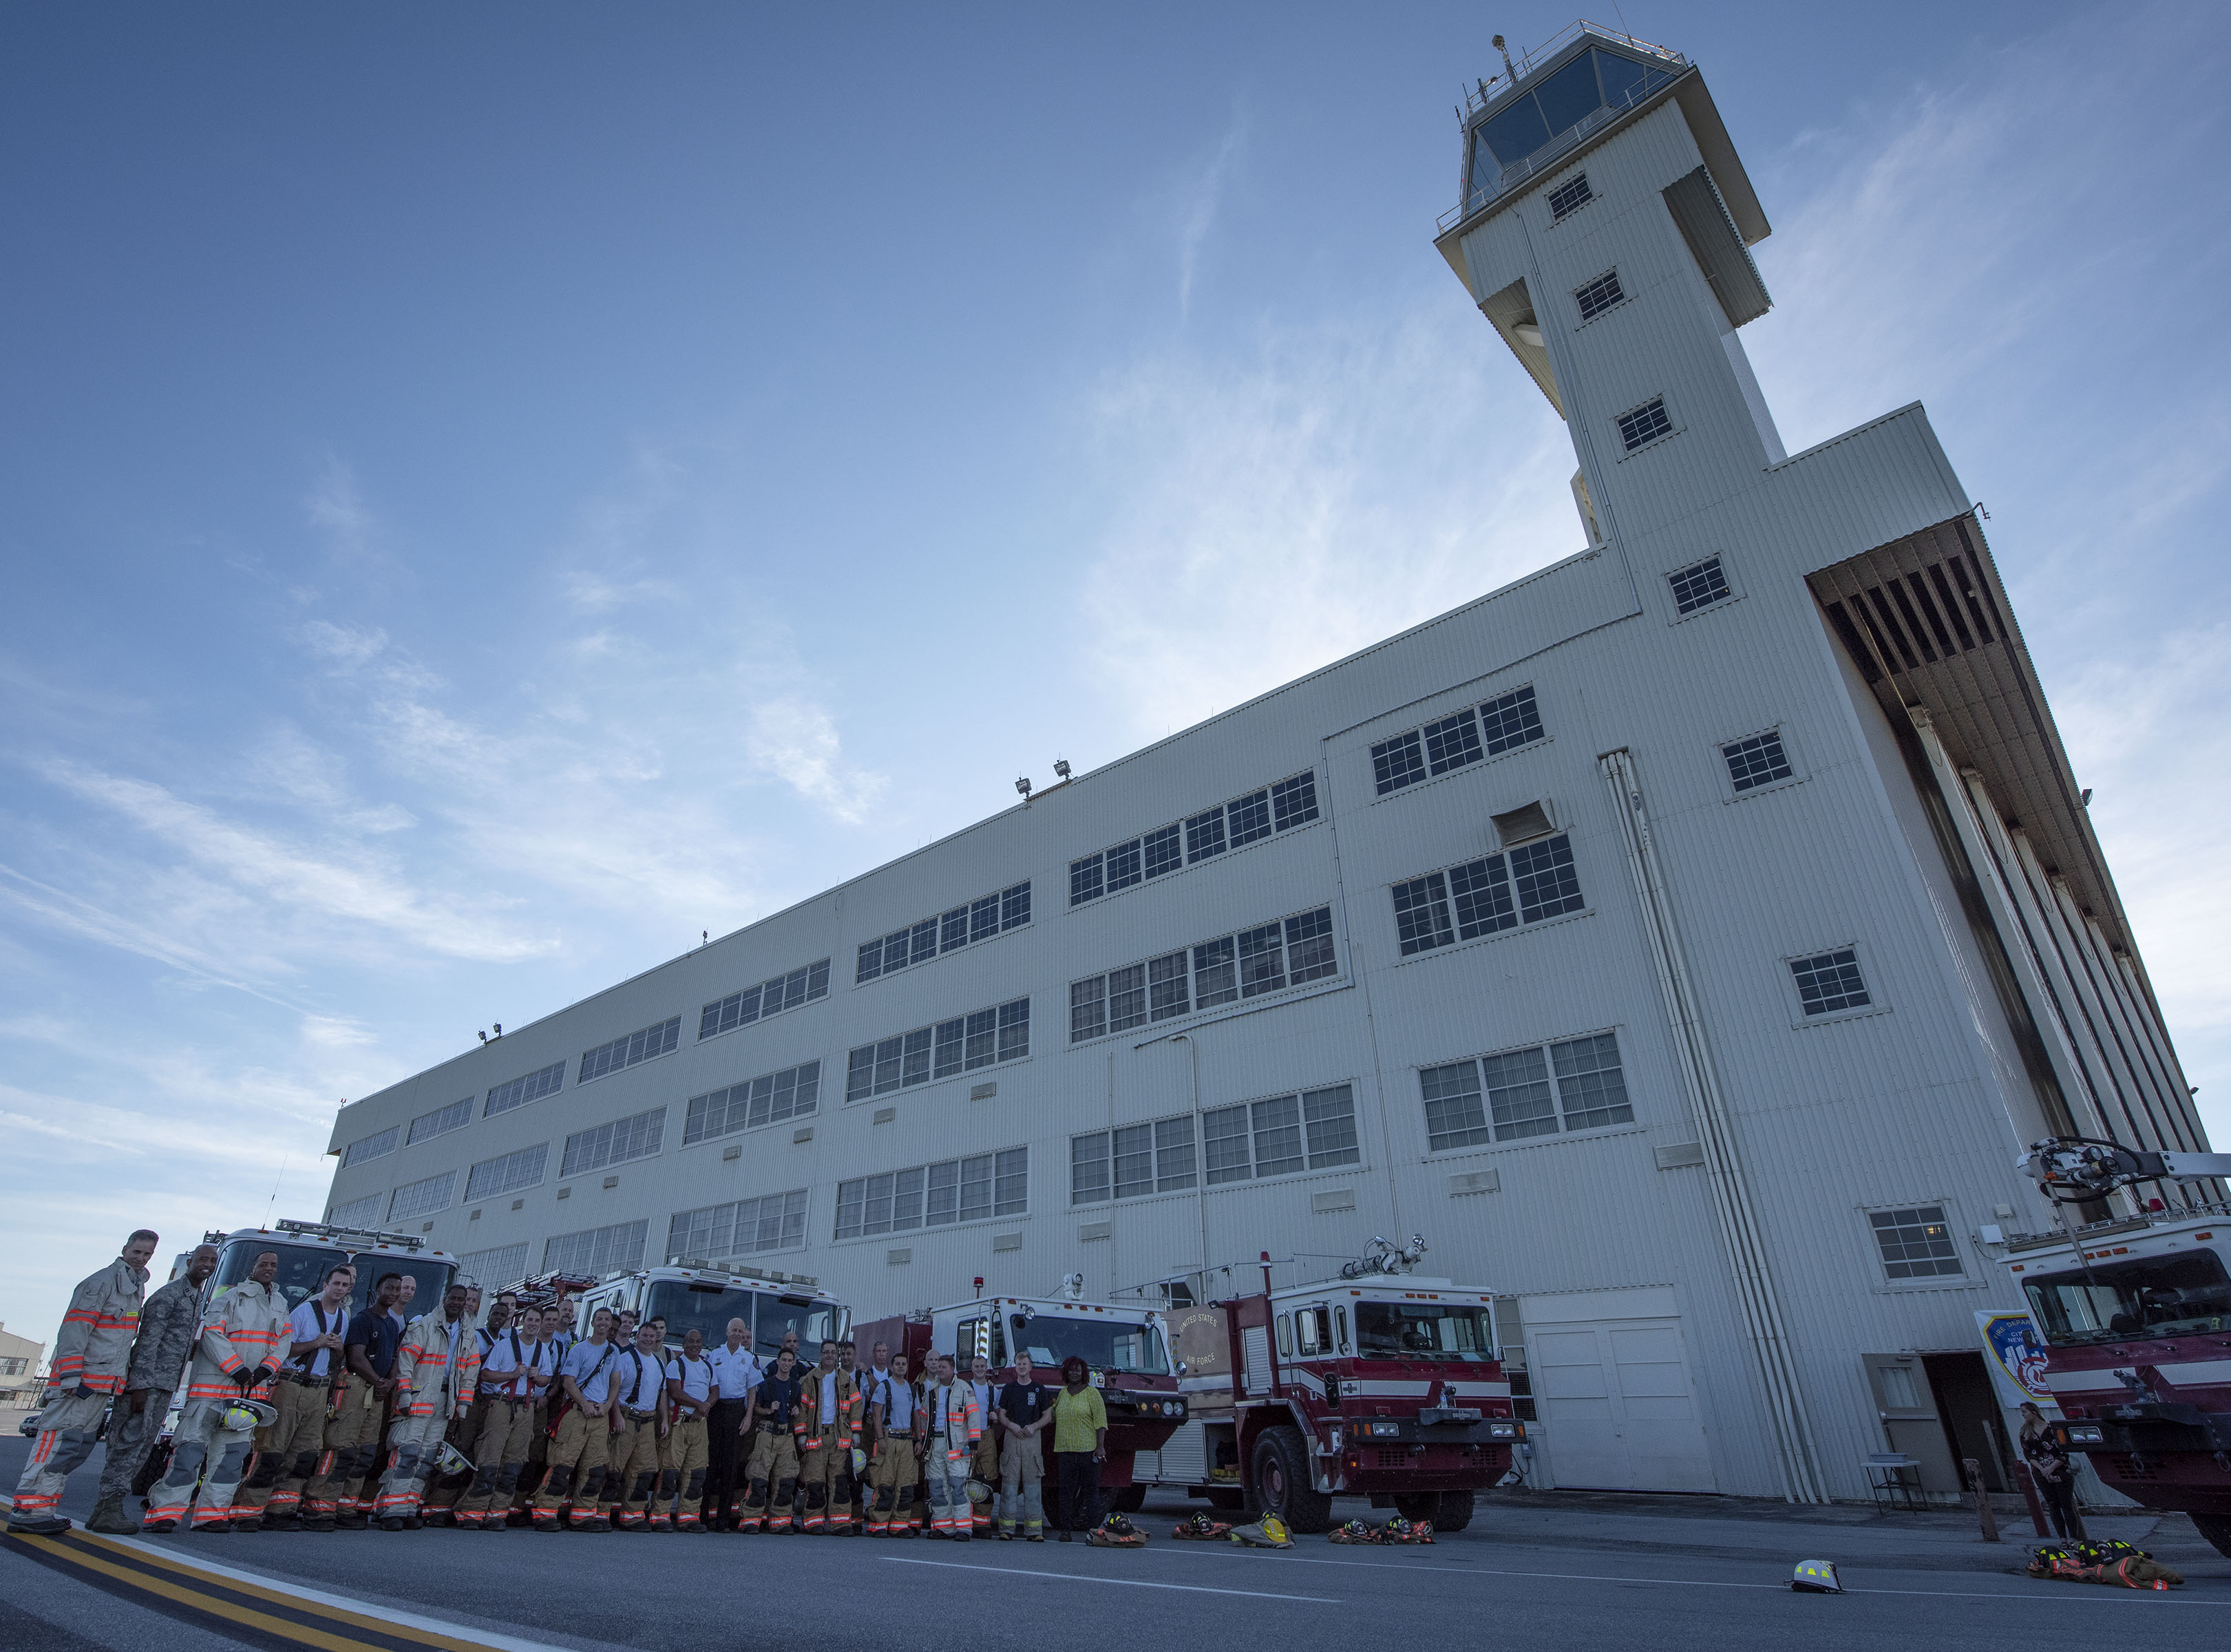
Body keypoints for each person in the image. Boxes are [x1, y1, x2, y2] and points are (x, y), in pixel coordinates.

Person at [12, 1230, 158, 1536]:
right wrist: (70, 1377)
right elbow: (74, 1330)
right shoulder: (100, 1283)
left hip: (100, 1387)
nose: (142, 1258)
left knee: (72, 1450)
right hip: (78, 1385)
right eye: (137, 1252)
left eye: (147, 1254)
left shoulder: (133, 1287)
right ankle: (27, 1512)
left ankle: (42, 1511)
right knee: (55, 1446)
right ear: (125, 1249)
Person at [144, 1249, 288, 1534]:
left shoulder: (281, 1304)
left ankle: (212, 1515)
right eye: (264, 1263)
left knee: (231, 1458)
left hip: (248, 1395)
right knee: (189, 1453)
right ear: (252, 1268)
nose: (269, 1268)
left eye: (273, 1264)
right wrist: (236, 1369)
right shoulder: (229, 1298)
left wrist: (265, 1370)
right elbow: (211, 1335)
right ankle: (164, 1514)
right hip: (210, 1392)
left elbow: (283, 1342)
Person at [88, 1242, 219, 1534]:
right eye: (202, 1259)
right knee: (127, 1447)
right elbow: (146, 1343)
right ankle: (109, 1509)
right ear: (190, 1262)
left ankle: (104, 1511)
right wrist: (140, 1387)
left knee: (141, 1449)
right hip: (146, 1386)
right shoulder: (168, 1296)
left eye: (212, 1261)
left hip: (164, 1385)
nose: (207, 1265)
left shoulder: (196, 1297)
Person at [236, 1262, 355, 1531]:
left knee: (303, 1455)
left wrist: (338, 1348)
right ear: (325, 1285)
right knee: (272, 1451)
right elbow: (284, 1349)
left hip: (319, 1389)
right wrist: (317, 1343)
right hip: (291, 1385)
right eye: (336, 1284)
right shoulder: (303, 1312)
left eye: (345, 1285)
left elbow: (336, 1359)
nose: (340, 1289)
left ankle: (282, 1511)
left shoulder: (343, 1318)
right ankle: (248, 1512)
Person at [374, 1282, 480, 1529]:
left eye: (461, 1299)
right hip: (419, 1397)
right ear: (444, 1299)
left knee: (427, 1459)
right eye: (453, 1298)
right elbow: (405, 1363)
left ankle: (409, 1508)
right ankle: (390, 1510)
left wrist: (462, 1404)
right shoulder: (425, 1325)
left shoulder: (468, 1333)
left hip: (445, 1402)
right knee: (406, 1454)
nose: (456, 1303)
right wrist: (404, 1395)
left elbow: (470, 1372)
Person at [310, 1271, 404, 1528]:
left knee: (365, 1453)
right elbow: (355, 1358)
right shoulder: (363, 1320)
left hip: (377, 1393)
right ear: (377, 1290)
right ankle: (320, 1507)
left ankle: (346, 1507)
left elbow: (395, 1358)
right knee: (341, 1449)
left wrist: (390, 1382)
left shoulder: (392, 1325)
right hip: (355, 1388)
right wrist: (378, 1381)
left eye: (397, 1289)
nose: (394, 1293)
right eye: (389, 1288)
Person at [451, 1300, 551, 1527]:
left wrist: (538, 1377)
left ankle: (497, 1514)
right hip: (502, 1404)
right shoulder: (505, 1346)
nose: (533, 1324)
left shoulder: (542, 1350)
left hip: (526, 1408)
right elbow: (486, 1375)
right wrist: (512, 1374)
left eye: (537, 1320)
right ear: (522, 1321)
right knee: (489, 1461)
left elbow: (547, 1379)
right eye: (530, 1320)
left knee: (513, 1465)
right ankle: (473, 1512)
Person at [535, 1306, 620, 1531]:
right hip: (577, 1413)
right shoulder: (579, 1349)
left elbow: (615, 1383)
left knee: (594, 1470)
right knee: (562, 1466)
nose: (603, 1323)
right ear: (592, 1323)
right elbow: (568, 1382)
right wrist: (584, 1404)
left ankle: (582, 1517)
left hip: (600, 1417)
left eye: (607, 1320)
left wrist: (607, 1405)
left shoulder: (614, 1352)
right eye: (599, 1319)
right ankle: (544, 1515)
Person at [604, 1320, 670, 1529]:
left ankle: (632, 1516)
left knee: (644, 1472)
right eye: (645, 1336)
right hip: (627, 1419)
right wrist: (617, 1417)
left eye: (652, 1336)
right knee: (613, 1470)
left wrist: (665, 1420)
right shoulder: (624, 1359)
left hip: (648, 1423)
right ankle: (601, 1514)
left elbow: (662, 1394)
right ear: (637, 1336)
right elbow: (614, 1390)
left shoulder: (659, 1363)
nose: (648, 1340)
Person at [796, 1338, 861, 1534]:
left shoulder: (846, 1379)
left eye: (833, 1352)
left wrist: (856, 1433)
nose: (830, 1355)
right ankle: (814, 1522)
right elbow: (801, 1410)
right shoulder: (809, 1380)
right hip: (815, 1437)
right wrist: (801, 1434)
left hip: (838, 1437)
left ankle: (840, 1523)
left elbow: (856, 1407)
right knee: (815, 1482)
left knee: (839, 1483)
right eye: (827, 1352)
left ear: (837, 1355)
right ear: (821, 1354)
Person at [738, 1346, 805, 1532]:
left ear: (794, 1363)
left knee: (785, 1482)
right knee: (758, 1479)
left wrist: (797, 1410)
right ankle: (750, 1520)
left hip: (787, 1437)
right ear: (778, 1362)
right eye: (783, 1360)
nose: (786, 1363)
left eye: (789, 1361)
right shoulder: (766, 1384)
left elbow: (799, 1408)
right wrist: (769, 1410)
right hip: (767, 1434)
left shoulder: (796, 1386)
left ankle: (780, 1522)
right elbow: (756, 1408)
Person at [704, 1317, 762, 1529]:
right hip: (716, 1410)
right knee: (710, 1464)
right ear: (727, 1331)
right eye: (734, 1330)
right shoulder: (714, 1355)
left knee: (731, 1467)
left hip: (737, 1412)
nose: (737, 1334)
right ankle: (703, 1517)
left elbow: (752, 1390)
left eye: (740, 1331)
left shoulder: (748, 1358)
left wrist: (748, 1416)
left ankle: (723, 1520)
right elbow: (707, 1383)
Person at [919, 1353, 981, 1540]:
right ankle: (943, 1527)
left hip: (957, 1445)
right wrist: (922, 1442)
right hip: (935, 1445)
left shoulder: (964, 1388)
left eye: (943, 1367)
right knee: (937, 1487)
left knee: (958, 1487)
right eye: (938, 1367)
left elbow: (974, 1415)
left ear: (952, 1369)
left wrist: (974, 1442)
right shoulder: (932, 1389)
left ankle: (963, 1528)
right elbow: (924, 1417)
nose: (940, 1370)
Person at [659, 1326, 716, 1530]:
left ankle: (688, 1518)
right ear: (684, 1344)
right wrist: (699, 1405)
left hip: (700, 1426)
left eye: (698, 1342)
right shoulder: (676, 1365)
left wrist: (706, 1406)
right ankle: (660, 1516)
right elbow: (675, 1393)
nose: (695, 1345)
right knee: (670, 1472)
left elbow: (715, 1391)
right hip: (679, 1423)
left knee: (696, 1474)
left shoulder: (707, 1366)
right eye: (691, 1341)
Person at [995, 1351, 1053, 1541]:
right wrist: (1011, 1425)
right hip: (1012, 1438)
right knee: (1009, 1485)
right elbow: (1002, 1415)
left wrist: (1034, 1427)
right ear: (1015, 1367)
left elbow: (1048, 1416)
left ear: (1030, 1367)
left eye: (1024, 1364)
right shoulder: (1009, 1389)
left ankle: (1034, 1531)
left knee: (1033, 1486)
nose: (1021, 1367)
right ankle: (1006, 1529)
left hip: (1032, 1439)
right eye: (1018, 1364)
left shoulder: (1039, 1389)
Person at [863, 1346, 919, 1537]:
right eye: (897, 1364)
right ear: (892, 1367)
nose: (901, 1367)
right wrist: (880, 1439)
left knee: (905, 1485)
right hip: (889, 1438)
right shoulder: (884, 1387)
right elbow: (876, 1415)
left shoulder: (912, 1389)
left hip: (906, 1440)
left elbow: (917, 1416)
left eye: (904, 1364)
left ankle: (899, 1525)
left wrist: (918, 1440)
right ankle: (878, 1524)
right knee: (884, 1483)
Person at [1049, 1355, 1106, 1541]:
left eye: (1078, 1370)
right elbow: (1053, 1415)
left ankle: (1093, 1531)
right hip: (1065, 1451)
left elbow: (1101, 1422)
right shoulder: (1062, 1394)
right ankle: (1065, 1530)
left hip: (1088, 1452)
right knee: (1066, 1493)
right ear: (1066, 1372)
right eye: (1071, 1370)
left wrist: (1100, 1447)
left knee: (1091, 1493)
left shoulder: (1092, 1394)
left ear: (1084, 1373)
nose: (1074, 1373)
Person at [2020, 1401, 2084, 1539]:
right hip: (2040, 1471)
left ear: (2034, 1412)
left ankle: (2074, 1538)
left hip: (2060, 1469)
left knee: (2067, 1505)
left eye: (2025, 1412)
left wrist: (2051, 1467)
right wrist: (2043, 1469)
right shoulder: (2025, 1433)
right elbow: (2028, 1455)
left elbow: (2064, 1451)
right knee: (2053, 1504)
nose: (2023, 1415)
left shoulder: (2052, 1429)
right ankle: (2063, 1538)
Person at [966, 1351, 1000, 1535]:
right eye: (976, 1366)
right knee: (966, 1476)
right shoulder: (965, 1388)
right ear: (972, 1369)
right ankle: (965, 1520)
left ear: (987, 1368)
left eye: (982, 1366)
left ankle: (982, 1523)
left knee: (986, 1479)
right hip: (968, 1436)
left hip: (987, 1435)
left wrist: (995, 1416)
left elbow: (999, 1412)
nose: (979, 1369)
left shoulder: (994, 1390)